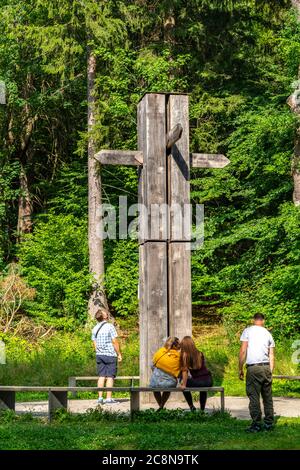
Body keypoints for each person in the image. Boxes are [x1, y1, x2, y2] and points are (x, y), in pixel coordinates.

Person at [239, 313, 275, 432]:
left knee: (254, 396)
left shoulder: (247, 331)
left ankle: (256, 424)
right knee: (267, 397)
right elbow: (272, 355)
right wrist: (271, 371)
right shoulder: (268, 334)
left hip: (253, 368)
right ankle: (269, 423)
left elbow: (243, 351)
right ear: (263, 321)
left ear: (253, 320)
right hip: (266, 367)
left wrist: (240, 368)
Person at [91, 308, 122, 405]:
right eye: (105, 314)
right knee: (110, 377)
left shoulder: (94, 328)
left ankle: (100, 398)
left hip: (99, 355)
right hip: (110, 355)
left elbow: (94, 342)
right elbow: (114, 341)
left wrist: (98, 351)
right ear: (103, 317)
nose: (107, 314)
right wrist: (119, 354)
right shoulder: (109, 326)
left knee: (101, 376)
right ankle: (108, 399)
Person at [179, 336, 213, 412]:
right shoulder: (200, 353)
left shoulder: (185, 355)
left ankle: (191, 406)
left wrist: (183, 384)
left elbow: (184, 371)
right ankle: (202, 410)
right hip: (208, 381)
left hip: (198, 381)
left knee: (183, 384)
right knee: (203, 389)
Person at [149, 337, 181, 410]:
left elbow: (152, 365)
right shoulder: (178, 356)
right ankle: (161, 406)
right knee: (168, 387)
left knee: (155, 388)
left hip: (154, 382)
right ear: (174, 346)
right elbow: (179, 372)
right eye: (179, 344)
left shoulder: (160, 352)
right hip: (169, 383)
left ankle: (161, 407)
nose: (180, 345)